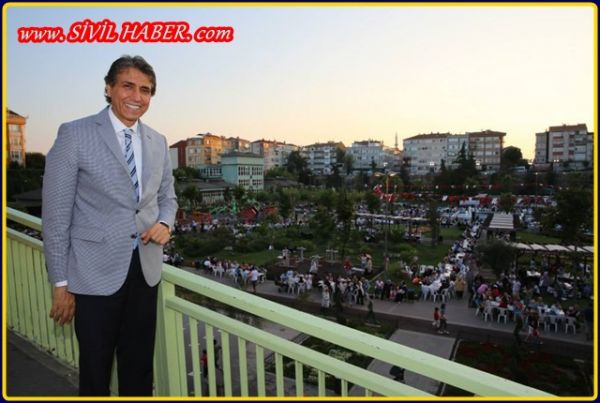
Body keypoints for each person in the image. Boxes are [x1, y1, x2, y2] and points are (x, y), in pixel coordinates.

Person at [42, 55, 177, 396]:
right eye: (128, 86)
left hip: (144, 272)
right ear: (109, 88)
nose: (137, 96)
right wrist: (61, 282)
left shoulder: (159, 141)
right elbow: (56, 216)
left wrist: (165, 222)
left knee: (139, 369)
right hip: (92, 276)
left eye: (145, 90)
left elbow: (168, 197)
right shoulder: (75, 134)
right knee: (95, 372)